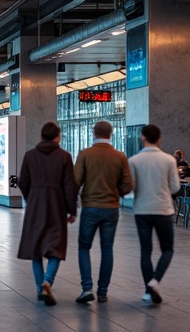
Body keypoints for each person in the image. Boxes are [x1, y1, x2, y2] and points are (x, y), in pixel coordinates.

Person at [16, 122, 77, 306]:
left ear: (41, 136)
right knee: (55, 247)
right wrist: (71, 210)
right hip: (56, 205)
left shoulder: (30, 155)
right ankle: (47, 282)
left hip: (35, 204)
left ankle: (39, 288)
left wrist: (31, 198)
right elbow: (69, 186)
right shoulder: (65, 157)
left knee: (36, 249)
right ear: (57, 137)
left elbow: (22, 182)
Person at [72, 121, 132, 304]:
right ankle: (103, 291)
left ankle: (86, 288)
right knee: (107, 248)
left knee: (84, 247)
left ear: (93, 133)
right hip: (111, 209)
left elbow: (75, 181)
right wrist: (116, 193)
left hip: (90, 207)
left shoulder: (85, 154)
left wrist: (71, 206)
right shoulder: (120, 157)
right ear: (111, 134)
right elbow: (128, 185)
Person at [128, 124, 180, 305]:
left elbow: (131, 187)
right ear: (159, 139)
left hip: (142, 210)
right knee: (167, 249)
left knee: (145, 251)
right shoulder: (169, 160)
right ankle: (155, 281)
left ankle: (147, 291)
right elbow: (175, 187)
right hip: (163, 209)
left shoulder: (134, 160)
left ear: (142, 137)